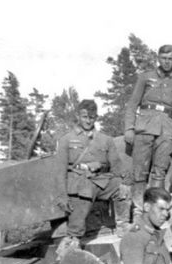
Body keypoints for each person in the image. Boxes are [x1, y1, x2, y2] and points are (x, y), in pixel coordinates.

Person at [55, 99, 130, 251]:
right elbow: (60, 171)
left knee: (122, 188)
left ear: (96, 117)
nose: (88, 121)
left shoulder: (105, 140)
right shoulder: (66, 140)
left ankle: (123, 225)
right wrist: (62, 196)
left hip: (99, 181)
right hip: (78, 184)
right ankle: (71, 244)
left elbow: (117, 166)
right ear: (78, 116)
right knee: (75, 229)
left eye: (92, 117)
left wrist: (124, 180)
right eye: (84, 117)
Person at [124, 45, 172, 208]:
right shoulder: (145, 77)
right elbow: (132, 104)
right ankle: (139, 209)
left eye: (170, 59)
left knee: (159, 172)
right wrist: (129, 128)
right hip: (145, 129)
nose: (167, 62)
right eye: (164, 58)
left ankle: (154, 209)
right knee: (139, 172)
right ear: (158, 58)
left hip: (167, 131)